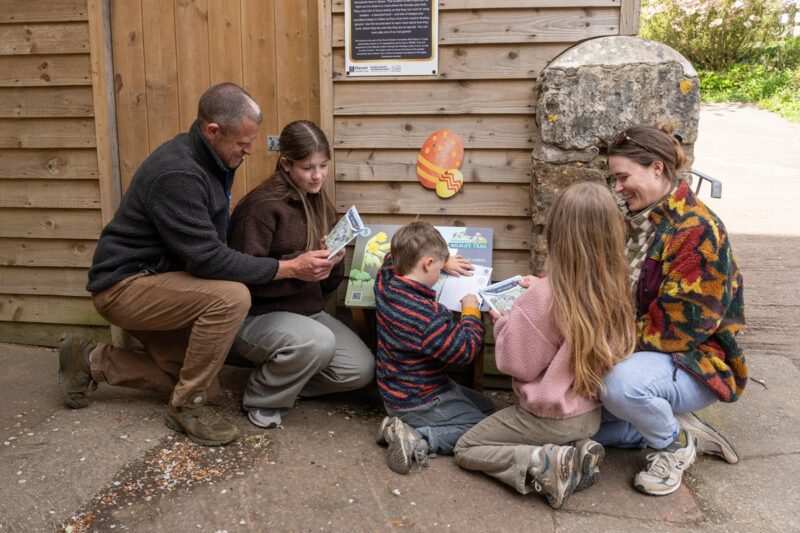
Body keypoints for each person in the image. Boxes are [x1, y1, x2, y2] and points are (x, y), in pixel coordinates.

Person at [59, 83, 334, 446]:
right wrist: (287, 268)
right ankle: (186, 408)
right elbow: (207, 258)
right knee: (231, 297)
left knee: (209, 384)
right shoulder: (178, 173)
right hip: (126, 286)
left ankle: (92, 360)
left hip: (166, 282)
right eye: (242, 143)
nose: (251, 150)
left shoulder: (214, 159)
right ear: (212, 131)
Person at [453, 182, 636, 509]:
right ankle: (576, 454)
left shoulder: (539, 297)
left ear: (555, 235)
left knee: (466, 449)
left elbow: (516, 363)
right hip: (589, 415)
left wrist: (504, 322)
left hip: (546, 416)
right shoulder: (614, 290)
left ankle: (542, 460)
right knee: (562, 435)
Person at [594, 124, 747, 496]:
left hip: (697, 361)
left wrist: (602, 345)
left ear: (657, 169)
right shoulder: (646, 220)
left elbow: (680, 331)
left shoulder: (698, 232)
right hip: (648, 352)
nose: (617, 188)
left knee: (619, 386)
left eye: (623, 177)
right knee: (573, 419)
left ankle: (674, 444)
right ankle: (668, 423)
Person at [226, 120, 374, 429]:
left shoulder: (319, 201)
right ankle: (261, 396)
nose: (318, 175)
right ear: (285, 164)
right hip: (254, 316)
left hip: (306, 313)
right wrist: (296, 266)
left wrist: (334, 264)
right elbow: (240, 279)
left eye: (323, 165)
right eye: (308, 168)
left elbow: (325, 288)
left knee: (360, 370)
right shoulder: (259, 207)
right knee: (317, 342)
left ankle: (286, 386)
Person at [373, 221, 494, 475]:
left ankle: (398, 427)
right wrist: (470, 311)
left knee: (489, 408)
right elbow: (466, 350)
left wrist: (444, 258)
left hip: (396, 390)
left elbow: (388, 257)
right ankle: (418, 438)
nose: (440, 272)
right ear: (428, 264)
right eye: (438, 267)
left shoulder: (384, 281)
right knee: (484, 429)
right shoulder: (428, 316)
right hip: (420, 399)